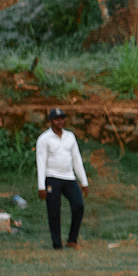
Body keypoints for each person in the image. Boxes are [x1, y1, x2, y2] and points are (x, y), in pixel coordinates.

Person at [35, 107, 89, 250]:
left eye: (62, 118)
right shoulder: (44, 139)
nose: (60, 122)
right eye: (56, 119)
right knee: (54, 211)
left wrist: (84, 181)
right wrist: (41, 186)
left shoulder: (70, 136)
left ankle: (72, 239)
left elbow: (77, 159)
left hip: (69, 177)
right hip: (52, 177)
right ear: (51, 121)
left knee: (78, 205)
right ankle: (57, 244)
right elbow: (41, 162)